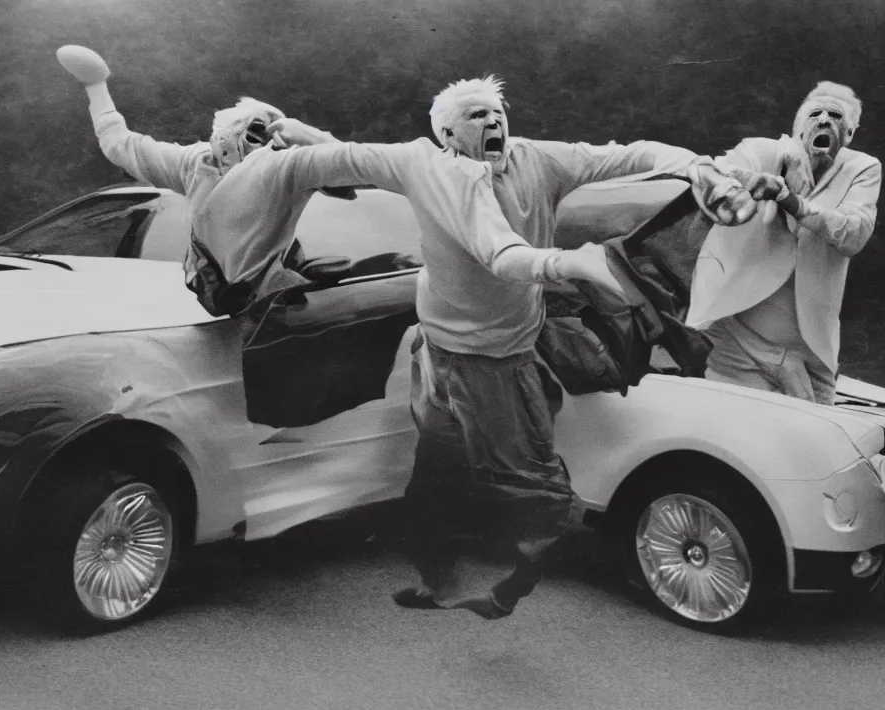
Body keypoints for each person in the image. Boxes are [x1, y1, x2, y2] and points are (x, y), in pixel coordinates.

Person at [228, 74, 758, 618]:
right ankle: (438, 580)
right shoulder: (422, 165)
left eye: (498, 114)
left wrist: (698, 166)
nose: (494, 123)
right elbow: (345, 157)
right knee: (435, 468)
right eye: (478, 116)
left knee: (531, 481)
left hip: (501, 359)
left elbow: (633, 155)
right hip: (437, 352)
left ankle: (513, 585)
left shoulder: (541, 161)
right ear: (448, 134)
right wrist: (290, 130)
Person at [56, 44, 341, 319]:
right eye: (254, 133)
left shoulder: (287, 169)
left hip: (274, 305)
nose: (259, 146)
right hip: (214, 302)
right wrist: (96, 86)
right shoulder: (195, 163)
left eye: (269, 139)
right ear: (223, 136)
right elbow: (119, 144)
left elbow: (347, 181)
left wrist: (312, 139)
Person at [687, 81, 881, 404]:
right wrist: (752, 181)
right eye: (814, 114)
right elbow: (712, 173)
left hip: (813, 348)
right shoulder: (765, 152)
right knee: (748, 433)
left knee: (822, 439)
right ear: (798, 128)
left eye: (834, 115)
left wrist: (794, 202)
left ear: (848, 134)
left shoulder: (862, 169)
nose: (823, 121)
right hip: (738, 337)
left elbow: (854, 232)